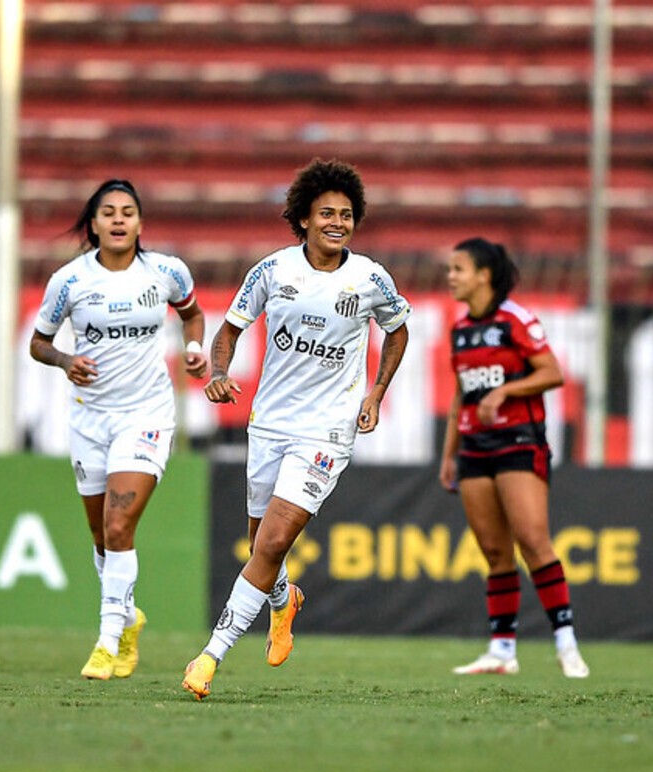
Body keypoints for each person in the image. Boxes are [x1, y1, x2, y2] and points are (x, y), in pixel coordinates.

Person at [182, 158, 411, 700]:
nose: (338, 222)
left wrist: (375, 393)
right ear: (303, 219)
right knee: (259, 544)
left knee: (275, 540)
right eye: (327, 212)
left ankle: (209, 657)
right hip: (270, 424)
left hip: (327, 433)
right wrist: (218, 374)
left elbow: (399, 332)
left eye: (347, 214)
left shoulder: (371, 278)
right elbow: (229, 332)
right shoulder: (272, 272)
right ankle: (284, 600)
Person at [30, 179, 207, 680]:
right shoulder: (69, 280)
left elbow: (192, 315)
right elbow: (38, 344)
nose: (118, 220)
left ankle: (107, 640)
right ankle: (129, 619)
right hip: (90, 418)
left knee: (118, 526)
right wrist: (65, 360)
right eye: (108, 212)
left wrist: (194, 350)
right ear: (93, 224)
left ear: (140, 223)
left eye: (128, 211)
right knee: (100, 535)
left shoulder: (166, 272)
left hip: (147, 415)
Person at [440, 238, 589, 678]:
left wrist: (504, 391)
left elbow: (552, 373)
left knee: (532, 540)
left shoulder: (516, 320)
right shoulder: (460, 329)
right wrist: (448, 455)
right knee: (493, 551)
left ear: (484, 275)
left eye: (458, 268)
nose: (450, 276)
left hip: (518, 443)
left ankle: (566, 643)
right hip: (473, 448)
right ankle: (502, 650)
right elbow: (459, 397)